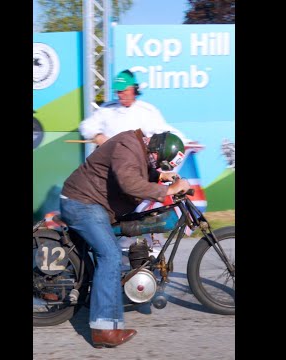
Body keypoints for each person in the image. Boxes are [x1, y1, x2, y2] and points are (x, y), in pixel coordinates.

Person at [60, 129, 191, 348]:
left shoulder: (137, 149)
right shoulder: (129, 145)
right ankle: (103, 330)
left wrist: (159, 177)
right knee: (110, 255)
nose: (159, 165)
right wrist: (168, 190)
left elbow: (135, 171)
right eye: (162, 163)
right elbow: (129, 182)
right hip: (82, 203)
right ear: (157, 150)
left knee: (116, 245)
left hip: (93, 204)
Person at [79, 69, 192, 146]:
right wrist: (98, 136)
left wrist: (185, 142)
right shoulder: (106, 109)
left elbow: (168, 133)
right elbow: (86, 126)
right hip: (109, 163)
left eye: (124, 90)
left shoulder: (147, 112)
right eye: (118, 91)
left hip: (136, 165)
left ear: (134, 89)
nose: (120, 94)